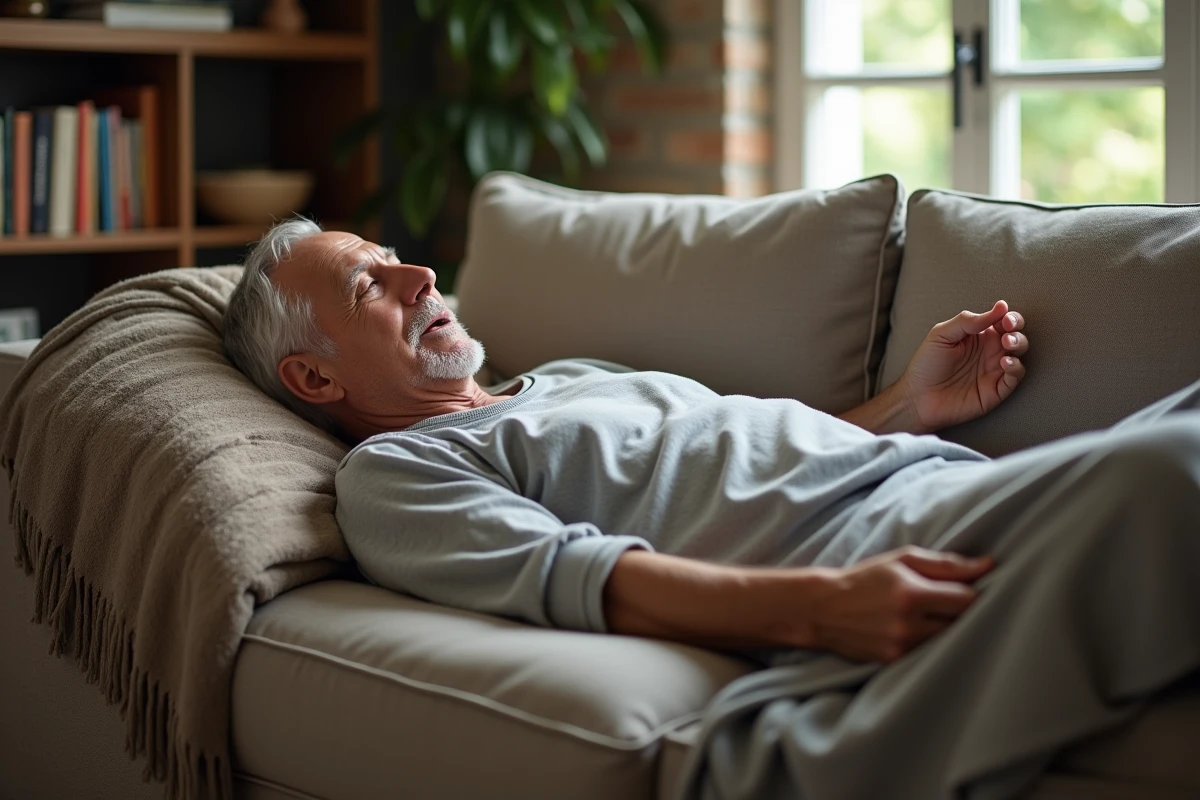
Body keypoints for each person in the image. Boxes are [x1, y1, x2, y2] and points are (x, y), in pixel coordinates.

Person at [222, 217, 1200, 667]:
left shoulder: (569, 377)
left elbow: (751, 459)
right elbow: (584, 577)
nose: (421, 276)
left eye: (397, 259)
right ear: (314, 380)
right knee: (1173, 469)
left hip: (933, 478)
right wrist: (821, 608)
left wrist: (909, 403)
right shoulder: (395, 472)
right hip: (870, 549)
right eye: (370, 284)